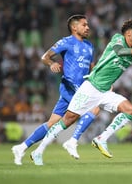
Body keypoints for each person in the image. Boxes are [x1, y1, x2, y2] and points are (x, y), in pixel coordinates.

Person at [30, 18, 132, 165]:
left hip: (105, 92)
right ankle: (38, 151)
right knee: (67, 120)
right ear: (129, 34)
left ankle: (101, 139)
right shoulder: (118, 39)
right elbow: (120, 51)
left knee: (130, 111)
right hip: (91, 87)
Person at [11, 14, 99, 165]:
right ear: (74, 27)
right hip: (70, 87)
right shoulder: (66, 42)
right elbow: (45, 56)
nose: (87, 27)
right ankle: (72, 142)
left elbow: (92, 69)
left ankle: (22, 147)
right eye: (84, 25)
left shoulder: (89, 46)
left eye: (87, 25)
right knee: (94, 109)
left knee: (52, 123)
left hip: (81, 88)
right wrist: (51, 63)